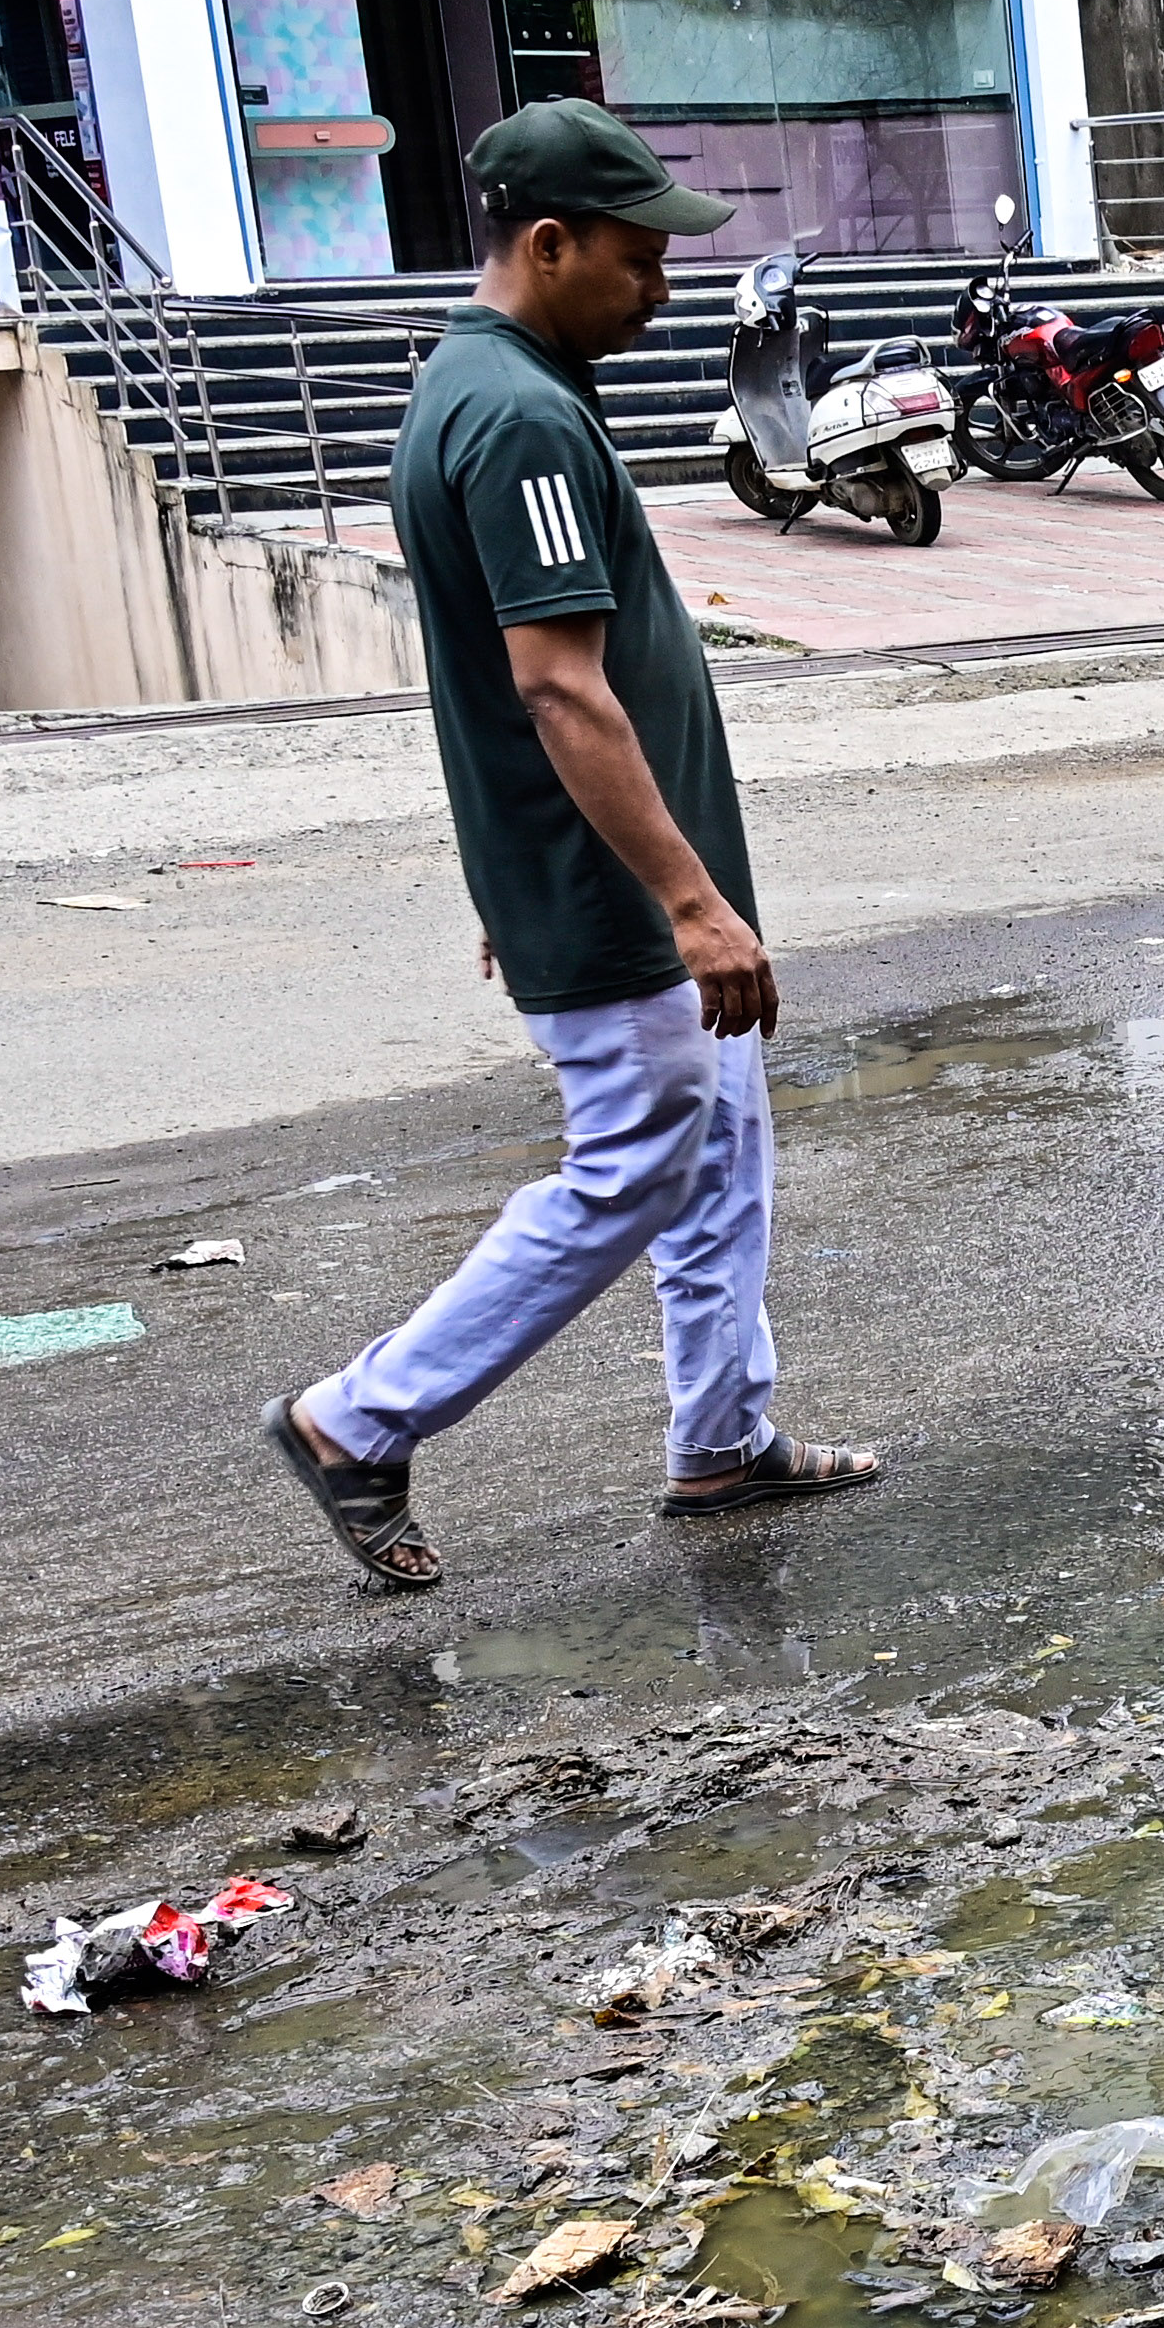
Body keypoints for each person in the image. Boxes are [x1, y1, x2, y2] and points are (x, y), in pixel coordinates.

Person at [259, 99, 880, 1590]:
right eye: (636, 259)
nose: (659, 290)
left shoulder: (488, 384)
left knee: (721, 1145)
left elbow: (493, 682)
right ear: (549, 243)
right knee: (637, 1166)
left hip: (612, 873)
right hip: (619, 893)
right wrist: (682, 896)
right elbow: (548, 680)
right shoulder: (522, 413)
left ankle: (721, 1437)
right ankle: (360, 1418)